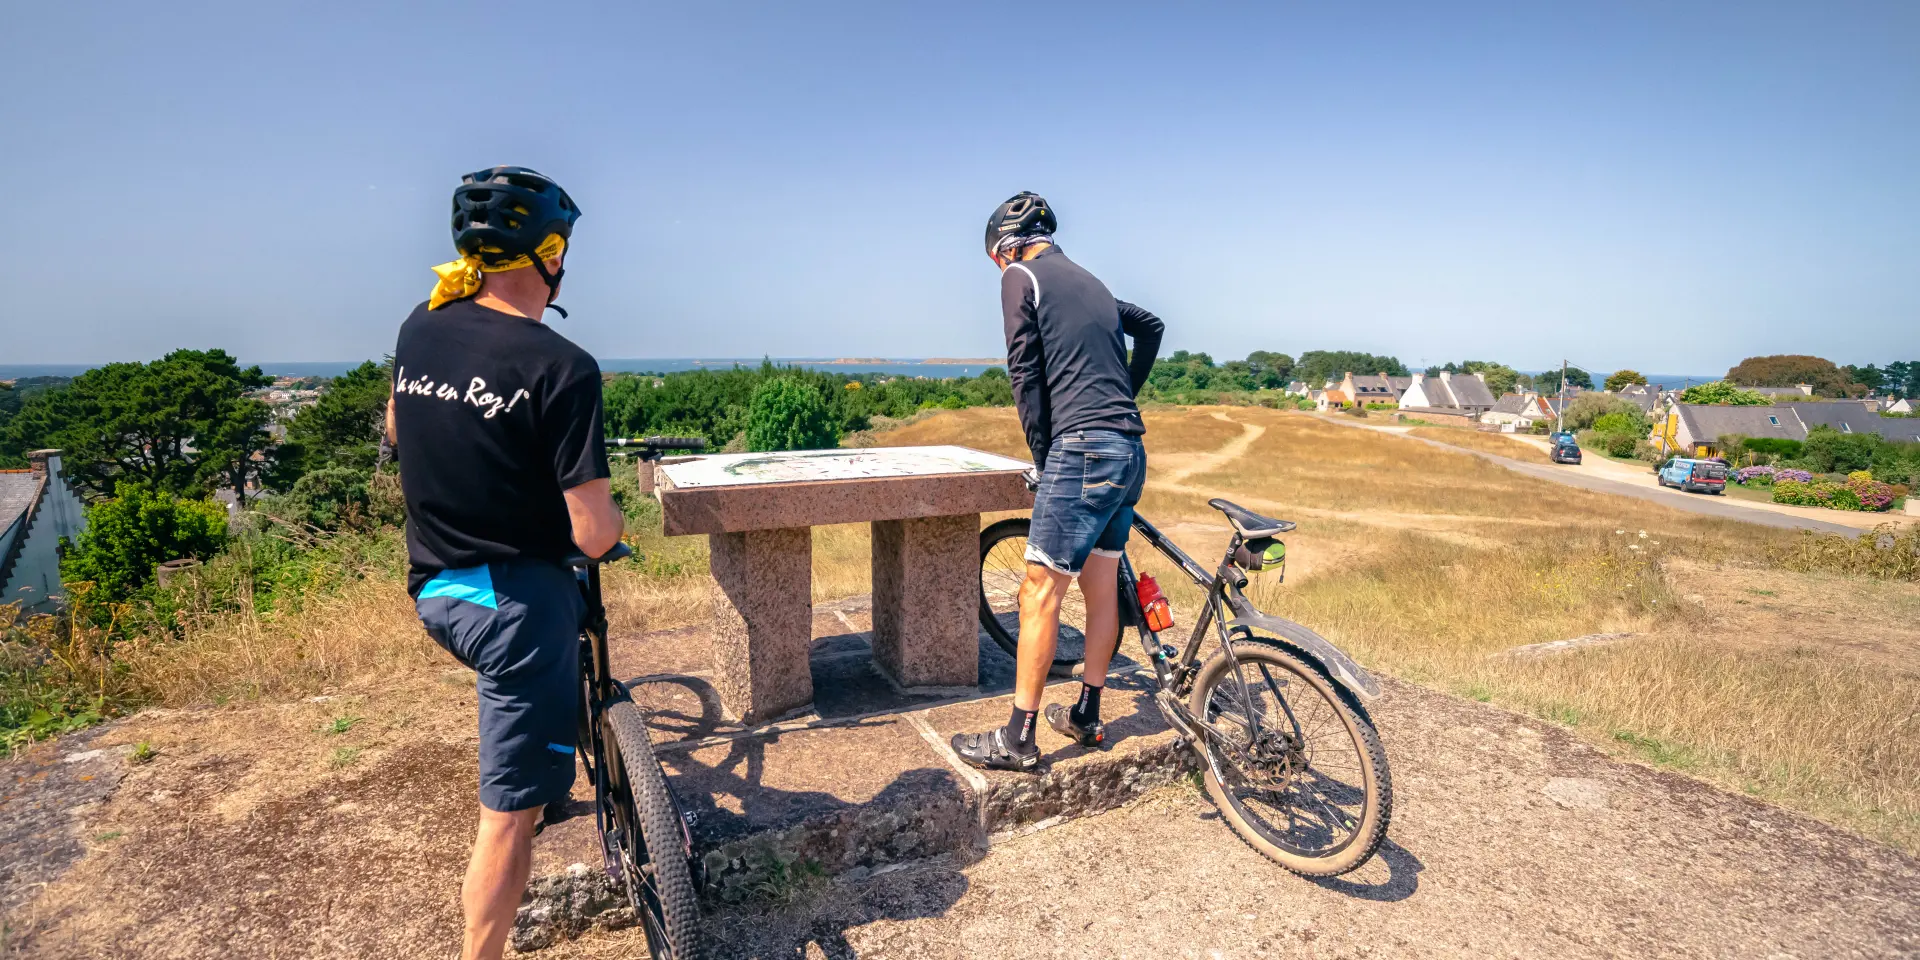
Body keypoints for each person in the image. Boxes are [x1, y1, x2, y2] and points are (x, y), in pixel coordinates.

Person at [386, 166, 624, 960]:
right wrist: (615, 522)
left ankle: (544, 776)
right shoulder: (562, 366)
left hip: (436, 588)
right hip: (514, 613)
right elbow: (593, 535)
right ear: (550, 255)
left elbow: (397, 424)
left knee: (525, 713)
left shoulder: (422, 323)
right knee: (506, 820)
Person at [951, 192, 1164, 771]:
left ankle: (1017, 739)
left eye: (995, 259)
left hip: (1082, 452)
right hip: (1128, 448)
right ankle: (1087, 714)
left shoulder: (1021, 276)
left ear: (1005, 247)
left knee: (1038, 593)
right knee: (1101, 585)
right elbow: (1151, 326)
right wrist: (1123, 394)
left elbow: (1024, 373)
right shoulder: (1092, 282)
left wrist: (1045, 458)